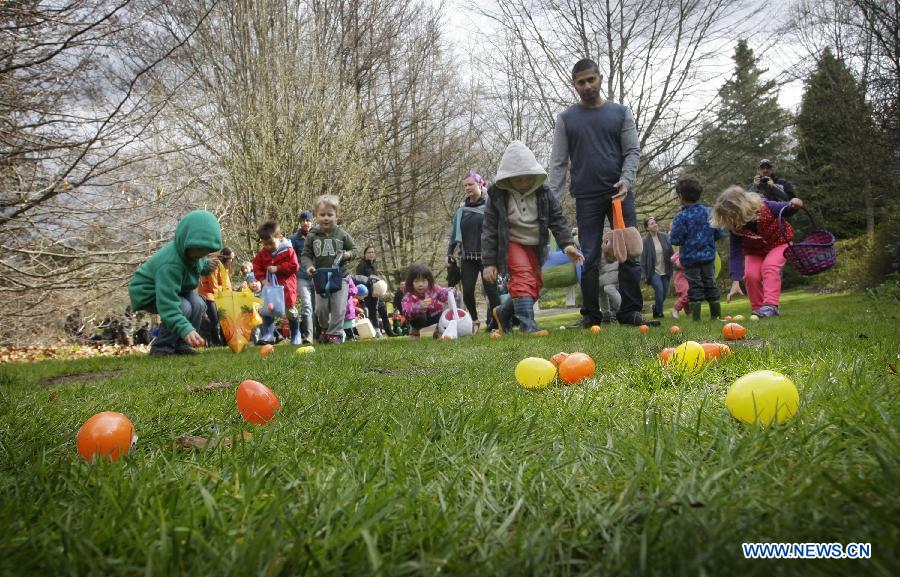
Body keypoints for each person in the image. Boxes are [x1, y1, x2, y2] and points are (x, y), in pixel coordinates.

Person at [549, 58, 657, 327]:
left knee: (629, 251)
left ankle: (630, 312)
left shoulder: (621, 113)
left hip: (619, 195)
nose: (587, 86)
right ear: (574, 85)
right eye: (581, 82)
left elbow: (632, 151)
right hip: (586, 198)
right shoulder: (566, 119)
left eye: (591, 79)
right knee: (588, 255)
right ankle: (590, 315)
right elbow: (559, 163)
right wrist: (552, 201)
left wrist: (626, 180)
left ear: (600, 78)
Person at [482, 140, 583, 336]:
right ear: (508, 178)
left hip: (536, 245)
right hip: (511, 243)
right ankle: (528, 326)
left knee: (535, 284)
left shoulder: (544, 193)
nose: (523, 183)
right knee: (522, 277)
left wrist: (567, 245)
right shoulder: (497, 196)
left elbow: (557, 219)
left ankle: (503, 313)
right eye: (518, 179)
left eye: (527, 178)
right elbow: (489, 230)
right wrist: (489, 262)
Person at [128, 210, 222, 356]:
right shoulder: (171, 265)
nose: (202, 254)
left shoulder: (193, 255)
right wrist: (185, 328)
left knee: (198, 303)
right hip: (149, 292)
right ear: (186, 240)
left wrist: (206, 266)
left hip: (177, 288)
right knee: (183, 306)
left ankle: (182, 345)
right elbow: (168, 304)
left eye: (207, 251)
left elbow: (195, 265)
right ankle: (162, 348)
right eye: (199, 249)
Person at [711, 186, 804, 317]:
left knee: (769, 267)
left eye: (732, 216)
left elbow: (787, 209)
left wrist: (794, 205)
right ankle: (758, 309)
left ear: (741, 209)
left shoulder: (766, 207)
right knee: (750, 275)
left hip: (779, 243)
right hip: (754, 251)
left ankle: (771, 306)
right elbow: (735, 253)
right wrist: (735, 281)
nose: (731, 221)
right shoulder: (735, 227)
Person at [447, 171, 501, 331]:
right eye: (465, 186)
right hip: (467, 257)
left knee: (491, 292)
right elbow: (454, 233)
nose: (467, 188)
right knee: (468, 291)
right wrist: (449, 253)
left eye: (470, 184)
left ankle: (497, 323)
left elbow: (498, 229)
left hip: (487, 257)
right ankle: (475, 320)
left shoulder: (491, 205)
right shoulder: (461, 209)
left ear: (480, 184)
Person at [300, 194, 357, 344]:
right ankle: (325, 329)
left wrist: (348, 254)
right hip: (321, 277)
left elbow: (355, 250)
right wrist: (309, 266)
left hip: (340, 276)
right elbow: (305, 255)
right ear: (316, 216)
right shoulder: (312, 236)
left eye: (330, 215)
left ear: (337, 216)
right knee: (321, 309)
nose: (326, 218)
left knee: (339, 307)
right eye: (322, 215)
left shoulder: (342, 235)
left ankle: (335, 334)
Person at [668, 175, 723, 320]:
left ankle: (696, 318)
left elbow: (675, 239)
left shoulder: (680, 217)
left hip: (690, 259)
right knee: (710, 283)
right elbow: (719, 232)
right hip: (708, 256)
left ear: (680, 196)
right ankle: (716, 316)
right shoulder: (710, 212)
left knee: (694, 287)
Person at [252, 220, 300, 344]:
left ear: (279, 237)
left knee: (290, 311)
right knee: (268, 311)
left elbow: (294, 266)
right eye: (265, 244)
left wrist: (278, 268)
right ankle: (268, 335)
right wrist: (262, 279)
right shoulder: (262, 254)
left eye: (271, 243)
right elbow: (257, 266)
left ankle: (296, 334)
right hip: (270, 289)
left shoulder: (288, 250)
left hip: (286, 288)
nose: (268, 247)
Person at [401, 263, 453, 338]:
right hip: (419, 321)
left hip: (434, 317)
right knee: (419, 318)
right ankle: (418, 331)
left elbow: (442, 293)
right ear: (411, 283)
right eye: (416, 281)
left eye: (423, 281)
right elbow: (406, 310)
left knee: (442, 314)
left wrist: (449, 291)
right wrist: (419, 306)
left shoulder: (434, 289)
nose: (420, 284)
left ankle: (436, 330)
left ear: (429, 281)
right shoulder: (409, 295)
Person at [197, 246, 234, 346]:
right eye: (230, 258)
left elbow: (226, 283)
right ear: (225, 257)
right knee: (215, 320)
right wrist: (224, 294)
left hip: (220, 296)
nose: (231, 261)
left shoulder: (225, 266)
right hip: (209, 296)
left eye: (232, 259)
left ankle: (224, 341)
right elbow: (213, 286)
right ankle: (216, 342)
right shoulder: (214, 264)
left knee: (223, 319)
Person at [355, 246, 395, 337]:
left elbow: (376, 278)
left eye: (373, 252)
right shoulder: (361, 265)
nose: (371, 254)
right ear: (365, 255)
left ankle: (389, 331)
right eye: (369, 252)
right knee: (373, 312)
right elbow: (358, 279)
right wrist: (370, 281)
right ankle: (376, 331)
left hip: (376, 292)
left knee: (383, 310)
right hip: (368, 294)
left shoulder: (374, 265)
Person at [640, 216, 673, 319]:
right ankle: (659, 313)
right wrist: (643, 274)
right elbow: (642, 259)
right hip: (653, 271)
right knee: (659, 289)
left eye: (655, 223)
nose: (655, 225)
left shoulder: (664, 236)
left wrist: (675, 264)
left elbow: (671, 252)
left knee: (664, 292)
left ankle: (655, 308)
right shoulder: (645, 241)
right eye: (652, 224)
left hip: (665, 269)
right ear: (647, 228)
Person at [290, 210, 316, 343]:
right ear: (300, 223)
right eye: (303, 221)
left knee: (318, 307)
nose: (305, 223)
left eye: (308, 220)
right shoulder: (294, 239)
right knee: (306, 304)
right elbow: (291, 258)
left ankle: (320, 334)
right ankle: (308, 336)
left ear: (312, 221)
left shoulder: (319, 236)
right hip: (302, 277)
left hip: (318, 276)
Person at [597, 246, 621, 323]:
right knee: (601, 292)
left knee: (608, 288)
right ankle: (606, 315)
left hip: (611, 266)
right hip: (599, 269)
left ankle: (623, 309)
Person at [669, 250, 691, 320]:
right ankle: (675, 309)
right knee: (687, 293)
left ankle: (689, 313)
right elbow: (679, 263)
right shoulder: (682, 253)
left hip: (685, 277)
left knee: (685, 296)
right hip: (680, 278)